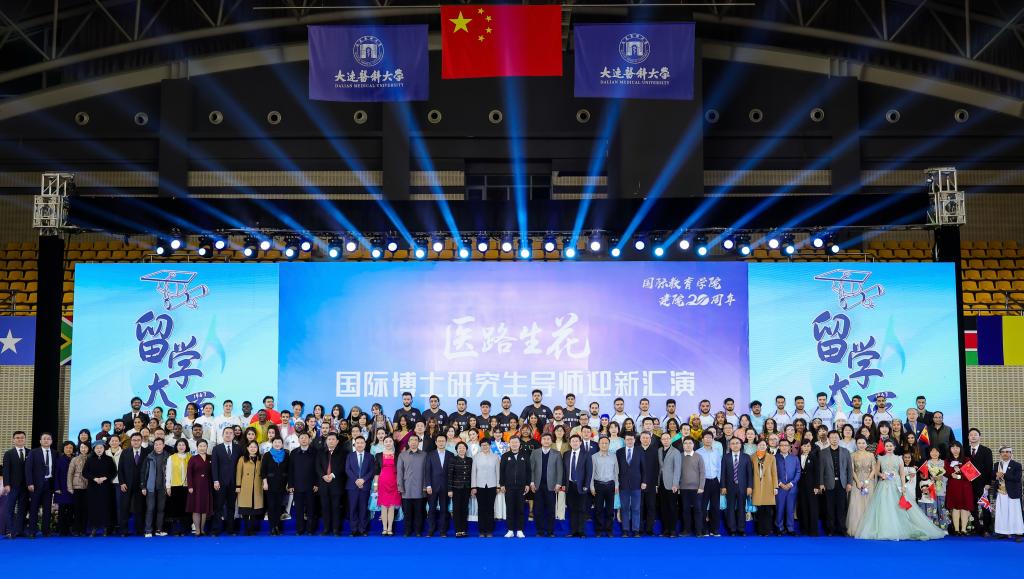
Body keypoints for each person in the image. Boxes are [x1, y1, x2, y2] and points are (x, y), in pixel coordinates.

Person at [855, 440, 944, 540]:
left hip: (896, 484)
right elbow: (876, 471)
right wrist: (881, 475)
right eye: (887, 446)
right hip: (884, 485)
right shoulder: (880, 458)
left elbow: (902, 474)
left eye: (891, 446)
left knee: (899, 506)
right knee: (885, 506)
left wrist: (903, 486)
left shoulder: (899, 458)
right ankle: (886, 528)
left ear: (894, 447)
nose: (889, 447)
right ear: (884, 447)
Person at [818, 430, 855, 536]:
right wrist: (821, 483)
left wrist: (849, 483)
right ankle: (830, 529)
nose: (834, 439)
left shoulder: (845, 451)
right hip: (828, 483)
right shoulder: (823, 452)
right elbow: (821, 469)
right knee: (829, 507)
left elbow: (849, 469)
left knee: (841, 507)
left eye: (836, 437)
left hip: (842, 483)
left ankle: (842, 529)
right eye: (832, 437)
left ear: (839, 439)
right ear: (828, 439)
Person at [210, 427, 243, 536]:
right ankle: (215, 530)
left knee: (231, 507)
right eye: (226, 433)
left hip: (234, 483)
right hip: (220, 482)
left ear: (234, 435)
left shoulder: (238, 448)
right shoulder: (216, 448)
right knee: (218, 507)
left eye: (230, 433)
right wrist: (215, 480)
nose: (228, 435)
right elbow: (214, 466)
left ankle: (230, 530)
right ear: (222, 435)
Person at [529, 432, 562, 537]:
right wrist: (532, 482)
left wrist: (558, 483)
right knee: (538, 510)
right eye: (544, 439)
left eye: (548, 439)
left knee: (551, 510)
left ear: (551, 441)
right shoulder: (535, 453)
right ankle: (540, 531)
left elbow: (560, 470)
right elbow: (531, 469)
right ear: (541, 441)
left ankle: (550, 531)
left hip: (551, 486)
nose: (546, 441)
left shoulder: (557, 453)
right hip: (537, 486)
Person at [24, 432, 56, 538]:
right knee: (34, 508)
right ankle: (32, 531)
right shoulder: (33, 452)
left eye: (48, 439)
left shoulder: (55, 453)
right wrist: (30, 483)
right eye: (44, 439)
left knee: (47, 509)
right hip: (35, 485)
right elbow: (28, 469)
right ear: (40, 441)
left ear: (51, 441)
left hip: (49, 484)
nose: (46, 440)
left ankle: (46, 531)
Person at [423, 433, 453, 537]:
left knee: (444, 510)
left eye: (443, 441)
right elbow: (427, 471)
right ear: (436, 442)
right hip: (432, 486)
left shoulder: (450, 455)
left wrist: (450, 488)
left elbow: (451, 473)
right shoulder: (430, 454)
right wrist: (428, 485)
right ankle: (431, 530)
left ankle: (443, 531)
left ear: (446, 442)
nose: (441, 443)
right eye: (439, 441)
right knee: (431, 509)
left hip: (445, 487)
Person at [288, 431, 319, 535]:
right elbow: (290, 470)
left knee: (311, 509)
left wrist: (317, 483)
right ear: (298, 440)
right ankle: (300, 530)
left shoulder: (315, 452)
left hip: (312, 486)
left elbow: (318, 469)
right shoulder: (294, 453)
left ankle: (310, 530)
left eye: (306, 437)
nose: (304, 439)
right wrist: (291, 484)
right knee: (299, 509)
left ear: (309, 440)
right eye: (302, 438)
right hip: (297, 485)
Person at [116, 433, 147, 536]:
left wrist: (145, 485)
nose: (136, 442)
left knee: (140, 508)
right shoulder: (125, 452)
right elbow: (120, 469)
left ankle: (139, 530)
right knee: (124, 507)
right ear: (131, 441)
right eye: (134, 440)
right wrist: (122, 483)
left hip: (141, 485)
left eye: (138, 440)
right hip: (126, 485)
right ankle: (124, 531)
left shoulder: (147, 452)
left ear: (141, 440)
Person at [83, 440, 116, 536]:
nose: (99, 449)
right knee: (93, 507)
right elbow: (84, 473)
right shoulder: (89, 459)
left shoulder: (109, 459)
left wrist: (105, 478)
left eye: (101, 448)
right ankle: (94, 528)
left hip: (106, 487)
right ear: (94, 449)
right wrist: (94, 479)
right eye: (97, 448)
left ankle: (106, 528)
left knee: (106, 507)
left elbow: (114, 472)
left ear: (104, 449)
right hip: (93, 487)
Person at [499, 436, 530, 538]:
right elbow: (502, 471)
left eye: (516, 442)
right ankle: (510, 530)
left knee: (521, 509)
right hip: (509, 487)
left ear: (519, 444)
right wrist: (502, 484)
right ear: (509, 444)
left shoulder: (525, 455)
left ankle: (520, 530)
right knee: (510, 509)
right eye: (512, 442)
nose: (514, 444)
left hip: (521, 487)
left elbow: (528, 471)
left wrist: (527, 484)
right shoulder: (505, 456)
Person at [965, 428, 994, 536]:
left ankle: (987, 528)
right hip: (968, 484)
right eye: (971, 435)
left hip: (982, 484)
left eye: (975, 434)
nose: (973, 436)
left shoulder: (986, 451)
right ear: (968, 437)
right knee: (972, 507)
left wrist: (988, 483)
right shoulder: (964, 450)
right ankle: (975, 528)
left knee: (985, 506)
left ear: (979, 437)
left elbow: (989, 468)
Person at [397, 434, 427, 537]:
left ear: (418, 442)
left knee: (419, 512)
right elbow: (400, 472)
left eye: (415, 440)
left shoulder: (424, 455)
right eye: (411, 440)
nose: (413, 442)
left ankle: (418, 531)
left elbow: (427, 472)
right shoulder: (402, 455)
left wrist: (425, 486)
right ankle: (407, 531)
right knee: (407, 513)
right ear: (408, 443)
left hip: (420, 489)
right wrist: (400, 487)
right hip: (406, 489)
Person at [847, 436, 877, 536]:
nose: (861, 445)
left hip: (869, 482)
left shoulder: (871, 455)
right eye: (859, 443)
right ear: (856, 444)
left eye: (863, 443)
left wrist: (867, 481)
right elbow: (852, 470)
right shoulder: (852, 455)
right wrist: (858, 482)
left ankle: (868, 529)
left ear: (866, 444)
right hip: (857, 482)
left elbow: (874, 469)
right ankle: (856, 529)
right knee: (856, 505)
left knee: (868, 504)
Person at [317, 432, 345, 536]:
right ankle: (326, 529)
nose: (331, 441)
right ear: (326, 441)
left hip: (336, 484)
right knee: (325, 507)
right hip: (323, 484)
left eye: (333, 439)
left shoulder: (343, 453)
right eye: (329, 439)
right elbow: (317, 466)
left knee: (336, 508)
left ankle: (336, 529)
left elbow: (342, 466)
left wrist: (332, 475)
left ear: (337, 441)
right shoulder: (320, 452)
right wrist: (323, 475)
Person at [373, 436, 401, 536]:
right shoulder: (378, 455)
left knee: (392, 506)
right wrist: (375, 485)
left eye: (390, 441)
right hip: (383, 482)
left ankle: (390, 529)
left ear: (393, 443)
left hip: (394, 482)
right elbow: (376, 472)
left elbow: (401, 471)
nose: (388, 443)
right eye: (386, 441)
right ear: (383, 443)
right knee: (384, 506)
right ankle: (384, 528)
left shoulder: (398, 455)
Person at [2, 431, 29, 538]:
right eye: (17, 438)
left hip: (26, 486)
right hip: (12, 486)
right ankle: (10, 531)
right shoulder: (8, 453)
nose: (20, 439)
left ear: (25, 439)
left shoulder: (30, 452)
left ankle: (20, 530)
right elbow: (6, 470)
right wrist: (6, 484)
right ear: (13, 440)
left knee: (23, 509)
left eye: (22, 437)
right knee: (10, 508)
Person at [617, 432, 644, 537]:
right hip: (623, 484)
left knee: (636, 508)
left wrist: (644, 481)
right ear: (624, 440)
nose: (629, 441)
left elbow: (643, 468)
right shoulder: (619, 452)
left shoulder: (640, 451)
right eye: (627, 439)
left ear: (634, 440)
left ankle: (636, 530)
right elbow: (617, 469)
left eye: (631, 439)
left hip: (637, 484)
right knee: (624, 508)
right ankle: (625, 530)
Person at [345, 436, 373, 536]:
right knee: (353, 508)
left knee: (363, 508)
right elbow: (347, 469)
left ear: (365, 444)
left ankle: (362, 530)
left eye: (362, 443)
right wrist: (356, 480)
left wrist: (363, 480)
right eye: (358, 443)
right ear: (354, 444)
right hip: (352, 486)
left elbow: (372, 471)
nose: (360, 444)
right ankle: (354, 530)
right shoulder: (350, 456)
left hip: (365, 486)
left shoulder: (370, 456)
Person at [993, 446, 1023, 541]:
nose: (1005, 453)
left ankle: (1018, 533)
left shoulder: (1017, 465)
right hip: (1001, 492)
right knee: (1002, 513)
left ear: (1011, 454)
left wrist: (1004, 475)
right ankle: (1003, 532)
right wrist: (995, 475)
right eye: (1003, 452)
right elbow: (993, 476)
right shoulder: (997, 465)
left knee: (1015, 513)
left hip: (1012, 493)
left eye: (1007, 452)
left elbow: (1017, 478)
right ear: (1000, 454)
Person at [471, 439, 500, 537]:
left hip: (492, 485)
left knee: (490, 508)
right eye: (483, 445)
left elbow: (498, 472)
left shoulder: (495, 457)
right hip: (479, 486)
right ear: (480, 446)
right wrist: (473, 486)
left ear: (490, 445)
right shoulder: (476, 457)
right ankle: (482, 530)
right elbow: (473, 472)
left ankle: (489, 530)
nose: (485, 447)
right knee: (481, 508)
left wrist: (498, 485)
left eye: (487, 445)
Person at [677, 437, 705, 537]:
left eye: (690, 443)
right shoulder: (679, 456)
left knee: (698, 510)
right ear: (683, 445)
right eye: (686, 443)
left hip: (697, 489)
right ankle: (686, 530)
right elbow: (677, 473)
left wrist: (701, 486)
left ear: (693, 445)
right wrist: (678, 486)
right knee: (685, 510)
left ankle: (698, 531)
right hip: (683, 489)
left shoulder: (699, 456)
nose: (688, 445)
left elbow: (702, 472)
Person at [260, 436, 289, 535]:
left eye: (279, 442)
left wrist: (288, 483)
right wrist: (265, 483)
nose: (277, 444)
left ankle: (277, 527)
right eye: (275, 442)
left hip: (282, 484)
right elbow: (263, 470)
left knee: (279, 506)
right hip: (270, 484)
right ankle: (272, 527)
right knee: (271, 506)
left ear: (282, 444)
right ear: (272, 444)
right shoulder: (267, 455)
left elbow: (289, 470)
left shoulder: (286, 455)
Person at [945, 442, 974, 535]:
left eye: (957, 447)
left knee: (965, 507)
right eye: (953, 448)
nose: (955, 449)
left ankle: (964, 529)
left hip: (965, 486)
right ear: (950, 449)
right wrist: (951, 474)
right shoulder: (947, 461)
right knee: (955, 507)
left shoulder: (966, 459)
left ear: (960, 449)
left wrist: (960, 472)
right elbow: (946, 472)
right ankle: (957, 530)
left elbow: (971, 473)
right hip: (953, 486)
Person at [695, 431, 721, 536]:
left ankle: (714, 529)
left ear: (713, 439)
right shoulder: (697, 452)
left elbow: (719, 467)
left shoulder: (716, 452)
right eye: (706, 437)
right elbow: (696, 469)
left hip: (715, 481)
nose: (708, 439)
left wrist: (719, 480)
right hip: (703, 482)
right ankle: (703, 529)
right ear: (702, 439)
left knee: (715, 506)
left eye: (710, 437)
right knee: (703, 506)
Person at [751, 440, 778, 536]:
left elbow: (774, 472)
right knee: (759, 510)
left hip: (768, 486)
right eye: (760, 445)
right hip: (756, 486)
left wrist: (775, 487)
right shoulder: (752, 457)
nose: (762, 446)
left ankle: (767, 530)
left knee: (768, 510)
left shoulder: (771, 457)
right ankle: (759, 530)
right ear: (757, 446)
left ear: (766, 446)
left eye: (764, 445)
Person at [236, 440, 263, 535]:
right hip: (245, 487)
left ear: (257, 448)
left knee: (254, 510)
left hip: (257, 486)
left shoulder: (260, 459)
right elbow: (239, 473)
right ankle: (247, 529)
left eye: (255, 447)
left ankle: (252, 529)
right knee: (245, 509)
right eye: (251, 447)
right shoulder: (242, 459)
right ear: (247, 448)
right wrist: (238, 486)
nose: (253, 449)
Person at [186, 439, 213, 536]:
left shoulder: (210, 458)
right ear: (197, 447)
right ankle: (197, 530)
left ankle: (202, 529)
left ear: (207, 447)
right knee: (196, 508)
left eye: (204, 446)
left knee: (205, 508)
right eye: (200, 446)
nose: (202, 448)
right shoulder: (193, 459)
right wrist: (190, 486)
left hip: (207, 486)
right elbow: (189, 473)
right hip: (195, 486)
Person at [657, 432, 681, 537]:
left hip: (672, 484)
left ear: (670, 440)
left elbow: (677, 469)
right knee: (663, 507)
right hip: (661, 483)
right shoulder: (659, 450)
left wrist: (675, 484)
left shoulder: (676, 452)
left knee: (672, 507)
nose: (665, 440)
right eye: (663, 439)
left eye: (667, 438)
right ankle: (665, 530)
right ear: (661, 440)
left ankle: (673, 530)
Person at [775, 438, 800, 535]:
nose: (784, 447)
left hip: (792, 488)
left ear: (790, 447)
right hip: (780, 488)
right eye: (782, 445)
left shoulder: (794, 458)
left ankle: (790, 528)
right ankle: (779, 527)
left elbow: (798, 472)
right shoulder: (774, 458)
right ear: (779, 447)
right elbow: (772, 473)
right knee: (779, 508)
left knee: (790, 509)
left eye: (786, 445)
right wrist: (780, 483)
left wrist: (791, 483)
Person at [165, 439, 190, 535]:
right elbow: (168, 472)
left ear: (186, 446)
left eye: (183, 445)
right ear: (176, 446)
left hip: (187, 486)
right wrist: (168, 486)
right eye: (179, 445)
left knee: (185, 508)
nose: (181, 447)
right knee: (175, 508)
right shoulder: (171, 457)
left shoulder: (190, 457)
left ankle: (184, 529)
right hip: (175, 486)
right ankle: (176, 529)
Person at [448, 441, 473, 537]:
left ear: (466, 449)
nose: (461, 449)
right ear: (456, 450)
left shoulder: (470, 460)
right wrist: (449, 489)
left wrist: (472, 487)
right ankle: (458, 530)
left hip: (467, 488)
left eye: (463, 448)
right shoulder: (453, 459)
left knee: (465, 509)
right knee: (457, 509)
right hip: (456, 488)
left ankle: (464, 530)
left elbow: (471, 475)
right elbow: (450, 475)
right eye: (459, 448)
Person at [922, 446, 950, 530]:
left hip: (942, 488)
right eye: (932, 451)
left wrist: (941, 478)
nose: (934, 453)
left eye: (936, 451)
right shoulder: (927, 463)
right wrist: (930, 478)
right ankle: (934, 528)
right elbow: (923, 476)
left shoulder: (944, 462)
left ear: (939, 453)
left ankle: (944, 528)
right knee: (932, 509)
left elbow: (948, 474)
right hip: (931, 489)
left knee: (942, 508)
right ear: (929, 453)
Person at [796, 439, 820, 535]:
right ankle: (804, 529)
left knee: (812, 507)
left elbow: (817, 472)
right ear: (801, 447)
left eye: (808, 446)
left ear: (811, 447)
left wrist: (817, 486)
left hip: (812, 486)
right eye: (804, 446)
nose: (806, 448)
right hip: (800, 486)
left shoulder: (814, 457)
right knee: (803, 506)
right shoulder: (797, 457)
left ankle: (813, 530)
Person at [67, 441, 91, 536]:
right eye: (81, 447)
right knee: (77, 509)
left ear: (88, 448)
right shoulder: (75, 459)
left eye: (85, 447)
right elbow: (70, 473)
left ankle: (84, 530)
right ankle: (76, 530)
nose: (83, 449)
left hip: (88, 487)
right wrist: (70, 487)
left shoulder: (91, 458)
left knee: (86, 509)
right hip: (77, 486)